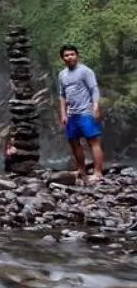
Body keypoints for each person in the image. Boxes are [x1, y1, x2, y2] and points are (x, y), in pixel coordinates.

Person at [58, 44, 104, 184]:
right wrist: (63, 114)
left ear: (77, 55)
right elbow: (62, 96)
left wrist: (95, 107)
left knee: (93, 142)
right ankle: (81, 170)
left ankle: (98, 172)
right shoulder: (62, 75)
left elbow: (94, 90)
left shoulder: (85, 71)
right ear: (62, 58)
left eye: (72, 54)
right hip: (72, 115)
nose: (69, 57)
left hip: (85, 112)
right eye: (66, 55)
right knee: (74, 143)